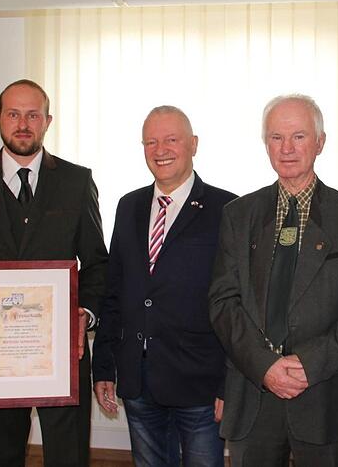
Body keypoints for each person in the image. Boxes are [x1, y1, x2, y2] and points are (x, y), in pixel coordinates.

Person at [0, 79, 108, 467]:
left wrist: (86, 314)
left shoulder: (77, 181)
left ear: (48, 120)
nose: (23, 123)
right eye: (13, 114)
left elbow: (97, 263)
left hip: (63, 351)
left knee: (69, 459)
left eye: (33, 115)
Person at [208, 94, 338, 466]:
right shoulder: (238, 216)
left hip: (326, 398)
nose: (287, 148)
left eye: (299, 136)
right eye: (276, 137)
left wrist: (308, 364)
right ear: (265, 143)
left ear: (320, 142)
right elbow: (223, 303)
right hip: (254, 394)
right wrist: (265, 366)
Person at [92, 106, 236, 466]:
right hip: (139, 380)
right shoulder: (129, 206)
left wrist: (229, 383)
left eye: (171, 139)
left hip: (200, 382)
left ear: (194, 144)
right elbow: (115, 293)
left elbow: (238, 305)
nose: (161, 150)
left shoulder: (228, 208)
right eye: (151, 141)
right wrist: (105, 367)